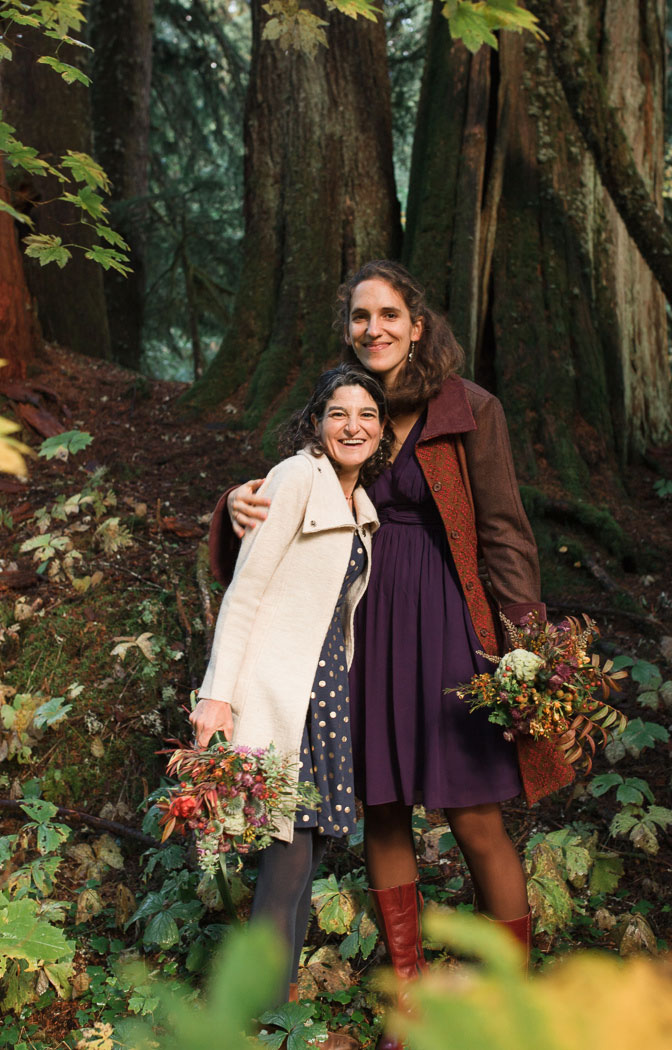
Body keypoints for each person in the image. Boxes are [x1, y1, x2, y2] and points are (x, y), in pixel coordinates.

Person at [209, 262, 574, 1049]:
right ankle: (408, 1003)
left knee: (474, 812)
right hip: (360, 627)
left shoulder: (469, 408)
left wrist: (529, 645)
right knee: (383, 808)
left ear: (417, 323)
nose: (372, 329)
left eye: (388, 315)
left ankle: (507, 999)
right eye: (359, 317)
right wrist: (230, 504)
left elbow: (505, 533)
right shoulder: (349, 405)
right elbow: (288, 497)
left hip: (448, 625)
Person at [191, 364, 389, 1048]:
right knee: (286, 858)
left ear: (382, 431)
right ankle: (254, 1017)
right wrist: (217, 696)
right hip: (281, 695)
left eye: (367, 414)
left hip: (327, 696)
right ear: (317, 422)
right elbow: (245, 592)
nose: (353, 425)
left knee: (302, 859)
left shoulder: (363, 507)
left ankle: (276, 1006)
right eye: (339, 413)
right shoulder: (296, 478)